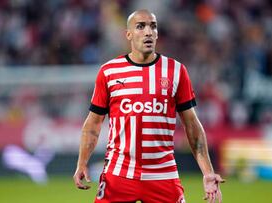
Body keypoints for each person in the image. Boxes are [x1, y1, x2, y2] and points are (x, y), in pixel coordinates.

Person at [73, 9, 224, 203]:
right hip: (119, 174)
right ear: (128, 34)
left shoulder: (176, 71)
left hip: (163, 174)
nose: (148, 32)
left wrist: (208, 172)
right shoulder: (109, 72)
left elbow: (192, 125)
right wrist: (82, 162)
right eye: (140, 26)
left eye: (153, 26)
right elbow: (93, 124)